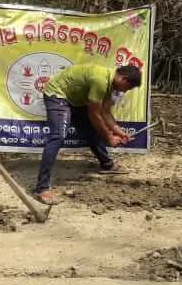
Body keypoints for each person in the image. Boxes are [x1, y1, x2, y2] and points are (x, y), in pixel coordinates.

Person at [34, 64, 142, 205]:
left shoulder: (110, 84)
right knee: (58, 136)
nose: (125, 91)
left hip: (75, 100)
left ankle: (107, 165)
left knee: (90, 131)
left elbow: (105, 112)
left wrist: (120, 133)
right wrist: (109, 137)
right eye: (127, 88)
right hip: (58, 94)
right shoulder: (100, 80)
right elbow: (94, 114)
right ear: (124, 79)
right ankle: (41, 188)